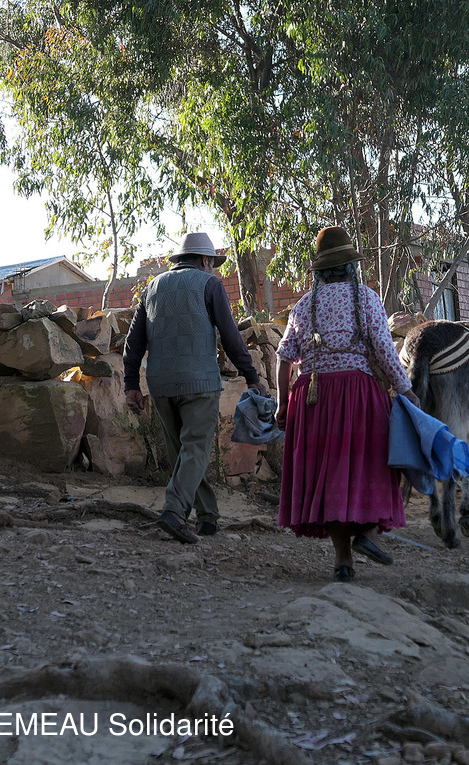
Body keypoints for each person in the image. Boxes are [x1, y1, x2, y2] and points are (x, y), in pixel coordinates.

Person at [275, 226, 421, 582]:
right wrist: (405, 389)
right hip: (358, 394)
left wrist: (282, 405)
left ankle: (343, 561)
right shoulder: (366, 299)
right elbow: (384, 350)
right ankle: (368, 534)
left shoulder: (303, 305)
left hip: (313, 398)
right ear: (350, 267)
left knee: (329, 477)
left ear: (321, 270)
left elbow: (283, 357)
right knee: (373, 464)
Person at [123, 232, 268, 544]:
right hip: (199, 382)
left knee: (184, 454)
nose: (212, 268)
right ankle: (175, 512)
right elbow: (231, 336)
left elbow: (133, 342)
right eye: (212, 263)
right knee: (195, 451)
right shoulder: (210, 284)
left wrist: (131, 384)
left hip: (161, 384)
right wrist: (251, 376)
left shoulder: (152, 287)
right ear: (205, 260)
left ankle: (207, 516)